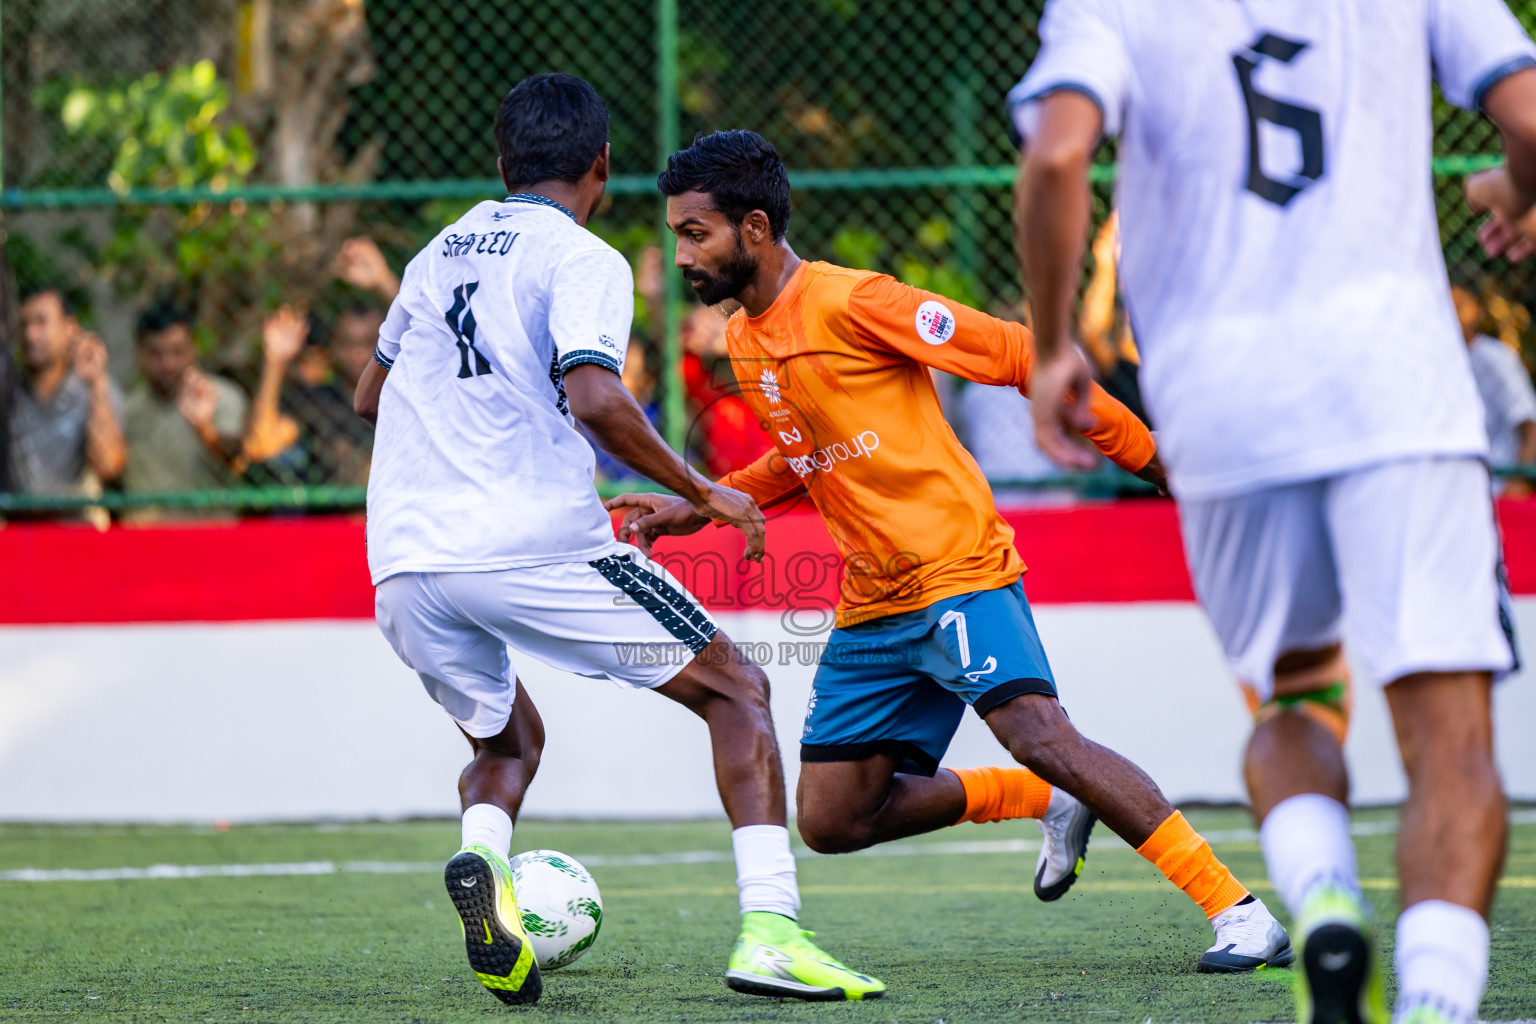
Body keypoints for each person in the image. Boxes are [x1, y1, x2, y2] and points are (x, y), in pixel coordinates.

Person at [611, 129, 1292, 975]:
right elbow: (801, 455)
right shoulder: (750, 338)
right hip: (873, 603)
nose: (681, 256)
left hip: (957, 570)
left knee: (1038, 730)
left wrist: (1153, 460)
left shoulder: (856, 301)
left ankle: (1240, 912)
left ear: (753, 228)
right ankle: (1044, 802)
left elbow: (1018, 355)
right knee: (832, 819)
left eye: (693, 233)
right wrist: (697, 505)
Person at [1011, 3, 1536, 1022]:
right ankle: (1434, 999)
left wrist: (1049, 343)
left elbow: (1058, 152)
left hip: (1219, 396)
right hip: (1395, 384)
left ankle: (1326, 895)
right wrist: (1516, 189)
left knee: (1291, 692)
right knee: (1450, 733)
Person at [350, 73, 881, 1007]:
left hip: (402, 560)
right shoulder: (581, 256)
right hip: (530, 545)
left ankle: (487, 872)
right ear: (602, 164)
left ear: (501, 161)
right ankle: (772, 931)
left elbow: (368, 395)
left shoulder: (436, 252)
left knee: (507, 742)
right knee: (738, 688)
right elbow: (595, 396)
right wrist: (704, 489)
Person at [121, 302, 248, 501]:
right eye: (156, 353)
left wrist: (205, 429)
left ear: (194, 349)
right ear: (139, 353)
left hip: (208, 528)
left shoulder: (224, 398)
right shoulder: (127, 410)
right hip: (145, 529)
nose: (167, 364)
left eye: (177, 352)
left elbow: (239, 462)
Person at [7, 287, 125, 497]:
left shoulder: (91, 389)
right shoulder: (9, 390)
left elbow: (109, 465)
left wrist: (96, 383)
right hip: (15, 524)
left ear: (70, 327)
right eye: (24, 324)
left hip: (73, 523)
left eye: (41, 322)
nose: (30, 335)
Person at [1452, 282, 1536, 497]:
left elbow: (1531, 425)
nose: (1453, 315)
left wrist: (1516, 485)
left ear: (1477, 309)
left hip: (1499, 489)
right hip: (1458, 491)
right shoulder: (1438, 361)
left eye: (1460, 306)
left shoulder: (1496, 358)